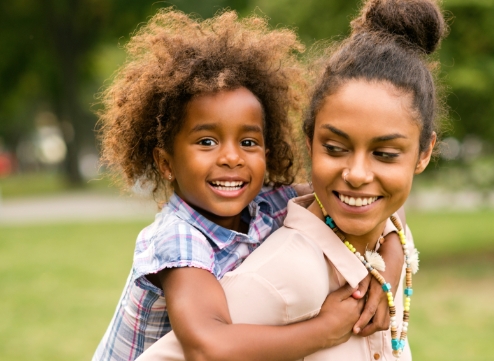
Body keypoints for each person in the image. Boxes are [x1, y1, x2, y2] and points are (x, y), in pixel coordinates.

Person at [136, 0, 447, 360]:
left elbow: (374, 198)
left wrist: (390, 261)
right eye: (207, 142)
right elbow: (206, 348)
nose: (232, 158)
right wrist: (322, 331)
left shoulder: (267, 202)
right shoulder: (179, 240)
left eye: (248, 142)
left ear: (424, 153)